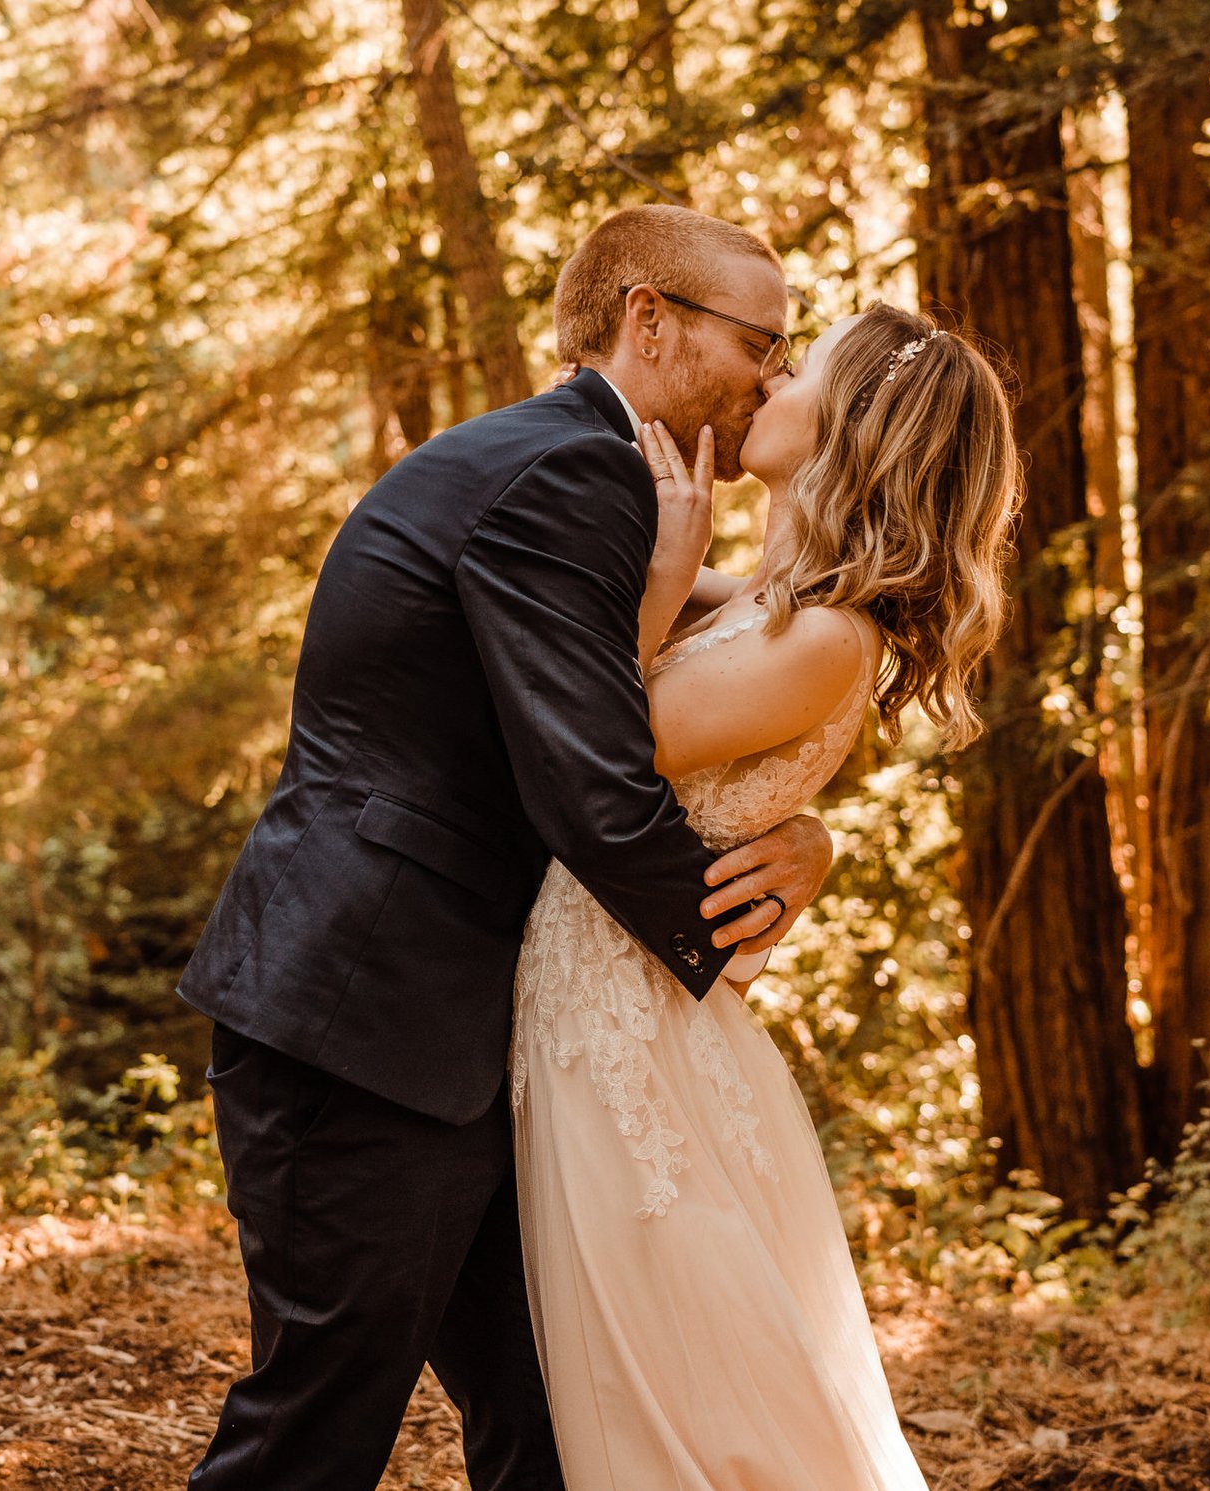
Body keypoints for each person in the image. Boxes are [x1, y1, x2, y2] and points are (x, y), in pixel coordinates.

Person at [173, 204, 839, 1491]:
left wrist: (799, 831)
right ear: (649, 318)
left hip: (458, 1040)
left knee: (553, 1422)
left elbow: (721, 686)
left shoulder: (604, 483)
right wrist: (718, 954)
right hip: (362, 1022)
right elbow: (591, 783)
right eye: (763, 338)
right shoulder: (570, 475)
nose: (772, 370)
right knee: (314, 1429)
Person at [512, 299, 1020, 1490]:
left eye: (796, 369)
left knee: (686, 1407)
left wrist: (659, 579)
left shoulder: (827, 636)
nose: (765, 383)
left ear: (851, 422)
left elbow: (595, 745)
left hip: (628, 1039)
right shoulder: (771, 603)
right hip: (600, 1019)